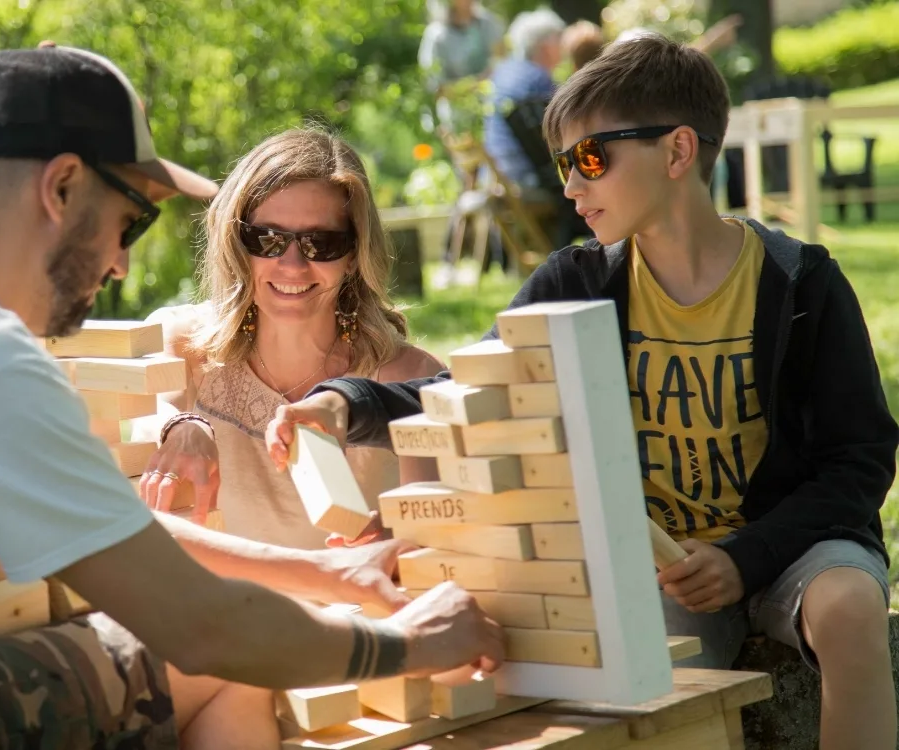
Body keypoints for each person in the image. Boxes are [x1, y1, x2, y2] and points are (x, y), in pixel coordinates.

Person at [0, 44, 505, 749]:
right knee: (230, 665)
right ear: (63, 185)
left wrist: (330, 575)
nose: (118, 263)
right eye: (130, 221)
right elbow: (200, 628)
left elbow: (121, 536)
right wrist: (414, 644)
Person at [267, 34, 898, 750]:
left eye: (590, 159)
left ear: (677, 151)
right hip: (659, 571)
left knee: (850, 609)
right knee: (635, 675)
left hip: (796, 548)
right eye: (563, 164)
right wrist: (348, 403)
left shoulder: (801, 284)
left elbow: (860, 460)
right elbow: (469, 391)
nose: (570, 186)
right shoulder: (576, 282)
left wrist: (747, 557)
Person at [134, 129, 444, 550]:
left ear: (354, 254)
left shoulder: (409, 378)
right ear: (237, 243)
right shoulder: (185, 345)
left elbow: (437, 537)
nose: (292, 264)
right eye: (268, 239)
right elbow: (142, 408)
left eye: (322, 243)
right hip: (211, 612)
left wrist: (405, 538)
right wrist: (182, 425)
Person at [482, 8, 589, 251]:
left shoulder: (505, 72)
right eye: (558, 38)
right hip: (528, 177)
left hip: (501, 174)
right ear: (545, 44)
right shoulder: (537, 81)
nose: (563, 45)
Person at [418, 0, 506, 136]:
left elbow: (502, 59)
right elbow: (436, 88)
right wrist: (472, 86)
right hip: (458, 117)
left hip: (494, 108)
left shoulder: (487, 23)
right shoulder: (436, 35)